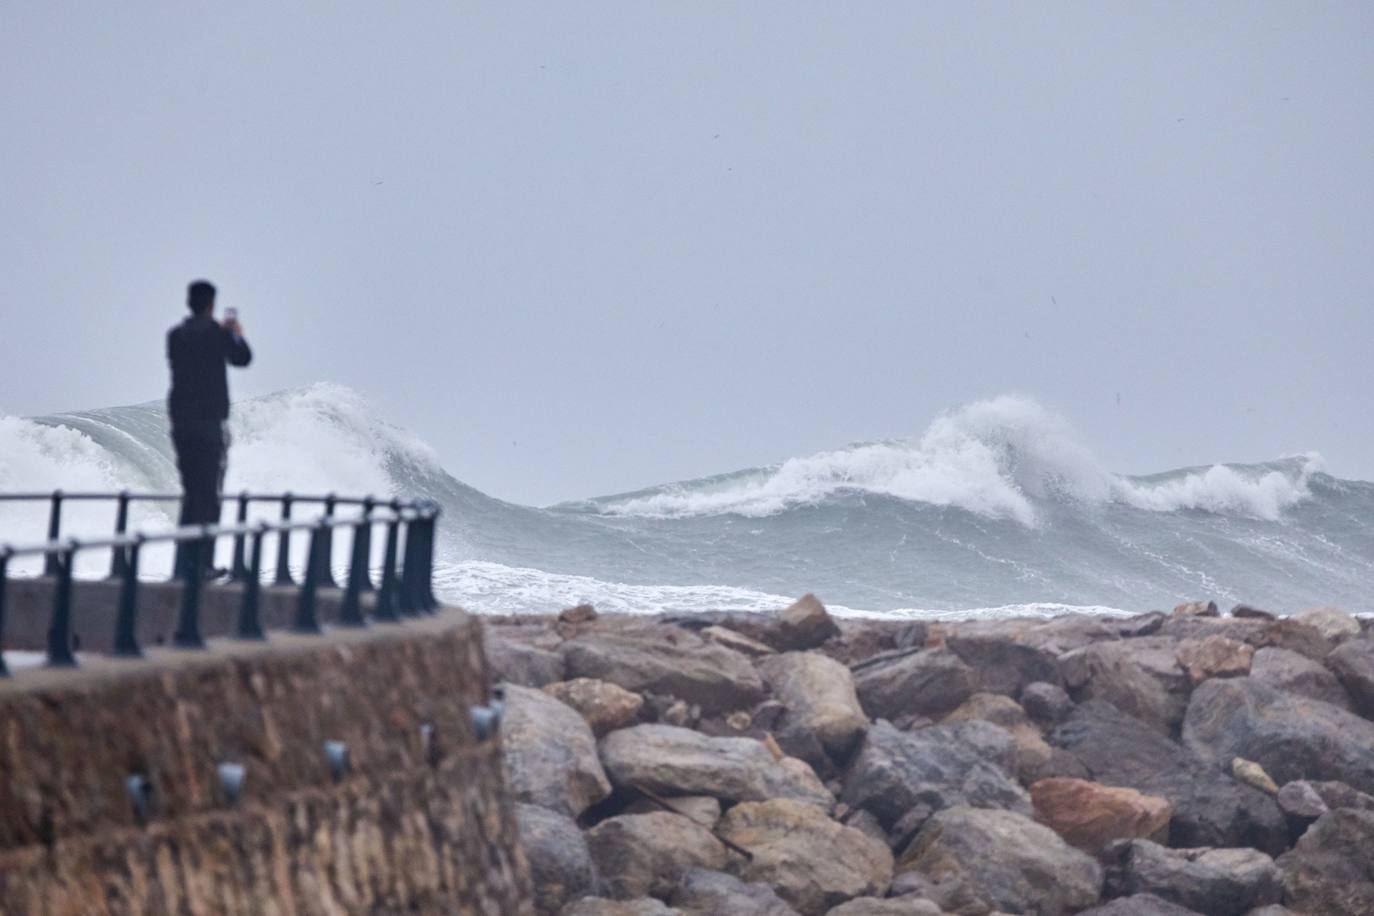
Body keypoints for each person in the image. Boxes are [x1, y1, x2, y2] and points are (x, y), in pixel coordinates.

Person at [167, 280, 252, 578]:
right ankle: (202, 564)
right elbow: (242, 359)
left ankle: (183, 564)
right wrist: (235, 335)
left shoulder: (175, 336)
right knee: (208, 496)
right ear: (211, 305)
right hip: (208, 425)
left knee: (191, 493)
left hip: (181, 425)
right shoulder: (218, 334)